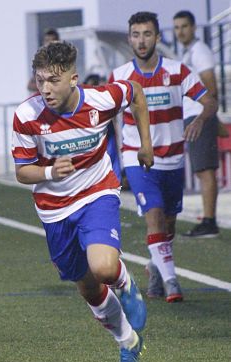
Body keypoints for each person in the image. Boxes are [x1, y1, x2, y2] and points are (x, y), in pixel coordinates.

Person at [12, 41, 154, 362]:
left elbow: (135, 92)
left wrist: (145, 146)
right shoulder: (26, 115)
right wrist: (49, 172)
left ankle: (126, 284)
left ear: (74, 78)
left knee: (103, 267)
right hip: (54, 210)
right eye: (40, 80)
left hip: (97, 192)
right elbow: (22, 172)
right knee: (88, 287)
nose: (45, 88)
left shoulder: (100, 100)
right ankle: (129, 343)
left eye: (53, 81)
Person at [110, 12, 217, 302]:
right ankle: (172, 282)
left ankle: (156, 269)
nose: (141, 40)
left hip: (173, 159)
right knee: (154, 216)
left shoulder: (179, 71)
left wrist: (198, 120)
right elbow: (107, 120)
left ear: (157, 37)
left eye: (147, 34)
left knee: (168, 224)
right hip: (138, 158)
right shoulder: (119, 78)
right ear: (129, 38)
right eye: (135, 34)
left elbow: (210, 101)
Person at [173, 10, 223, 238]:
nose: (180, 31)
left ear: (193, 27)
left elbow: (211, 88)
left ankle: (210, 221)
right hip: (194, 116)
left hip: (199, 116)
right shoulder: (187, 53)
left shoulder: (199, 52)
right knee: (202, 170)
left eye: (184, 26)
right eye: (177, 27)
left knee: (205, 170)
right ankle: (208, 219)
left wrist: (204, 118)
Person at [27, 28, 60, 93]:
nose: (49, 43)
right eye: (47, 40)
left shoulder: (65, 60)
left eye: (52, 40)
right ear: (43, 42)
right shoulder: (40, 63)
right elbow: (30, 85)